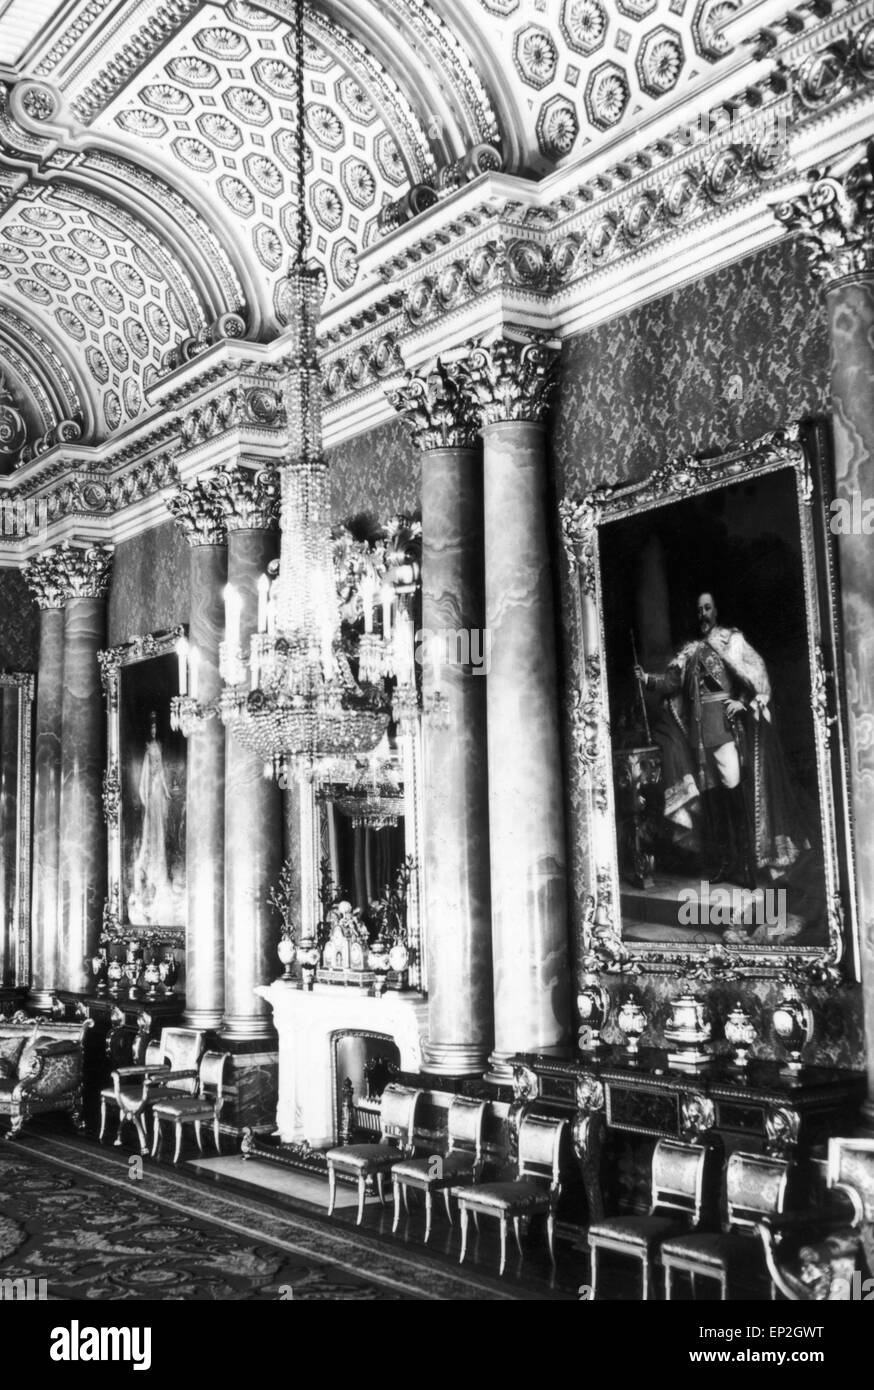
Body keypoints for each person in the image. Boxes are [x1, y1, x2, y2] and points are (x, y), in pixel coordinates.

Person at [634, 592, 809, 889]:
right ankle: (723, 864)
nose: (703, 614)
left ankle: (746, 864)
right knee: (714, 803)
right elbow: (671, 682)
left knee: (734, 797)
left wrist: (743, 702)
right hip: (700, 738)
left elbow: (752, 675)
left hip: (726, 732)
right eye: (699, 609)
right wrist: (647, 678)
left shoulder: (731, 640)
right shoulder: (689, 652)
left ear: (716, 611)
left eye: (707, 608)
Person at [133, 710, 171, 917]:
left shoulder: (159, 749)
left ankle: (160, 862)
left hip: (158, 791)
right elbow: (146, 774)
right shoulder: (149, 750)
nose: (154, 731)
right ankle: (153, 861)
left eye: (157, 728)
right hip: (152, 791)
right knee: (152, 827)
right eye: (152, 728)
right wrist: (147, 791)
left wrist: (165, 790)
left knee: (160, 828)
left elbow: (162, 772)